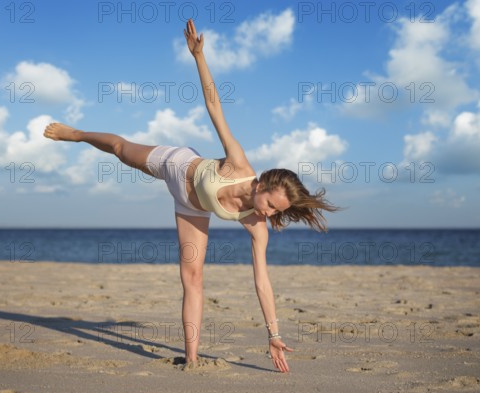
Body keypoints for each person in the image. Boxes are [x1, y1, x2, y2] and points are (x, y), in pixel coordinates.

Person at [43, 19, 338, 373]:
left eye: (278, 212)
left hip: (190, 208)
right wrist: (199, 57)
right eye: (272, 206)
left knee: (193, 279)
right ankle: (76, 133)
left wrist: (274, 333)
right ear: (261, 184)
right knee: (121, 149)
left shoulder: (257, 224)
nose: (271, 215)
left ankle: (192, 358)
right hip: (177, 165)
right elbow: (215, 108)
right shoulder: (238, 163)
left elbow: (262, 280)